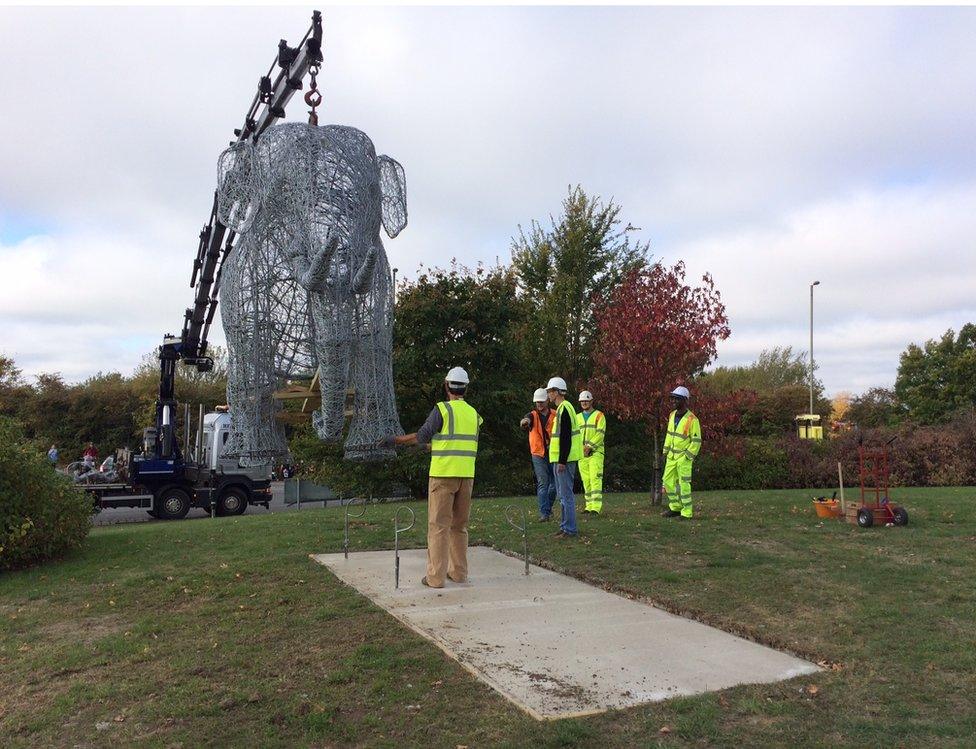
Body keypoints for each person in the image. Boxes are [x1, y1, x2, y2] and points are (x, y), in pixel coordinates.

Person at [392, 366, 482, 588]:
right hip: (466, 476)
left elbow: (422, 436)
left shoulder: (442, 410)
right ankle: (459, 573)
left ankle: (435, 578)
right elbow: (459, 442)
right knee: (459, 527)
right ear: (466, 388)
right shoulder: (474, 415)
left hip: (443, 475)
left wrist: (397, 441)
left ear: (446, 385)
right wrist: (435, 446)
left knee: (438, 526)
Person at [546, 376, 582, 539]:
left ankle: (570, 529)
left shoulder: (564, 408)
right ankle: (565, 527)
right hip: (562, 459)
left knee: (566, 495)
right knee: (563, 494)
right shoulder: (563, 408)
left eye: (550, 391)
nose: (548, 394)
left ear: (557, 392)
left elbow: (565, 437)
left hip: (564, 461)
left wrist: (562, 460)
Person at [661, 386, 702, 519]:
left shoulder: (692, 419)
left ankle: (686, 512)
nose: (672, 401)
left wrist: (687, 457)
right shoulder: (672, 415)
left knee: (684, 485)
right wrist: (665, 452)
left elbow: (696, 441)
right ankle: (675, 507)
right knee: (667, 482)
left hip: (683, 458)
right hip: (671, 456)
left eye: (676, 399)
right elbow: (669, 434)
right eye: (672, 398)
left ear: (684, 400)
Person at [520, 388, 557, 521]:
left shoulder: (555, 414)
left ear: (547, 400)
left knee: (554, 485)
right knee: (543, 483)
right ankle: (544, 514)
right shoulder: (532, 415)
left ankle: (547, 508)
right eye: (537, 402)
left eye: (541, 401)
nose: (539, 404)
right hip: (538, 453)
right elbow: (526, 420)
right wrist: (524, 422)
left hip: (553, 453)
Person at [576, 391, 606, 514]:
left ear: (591, 401)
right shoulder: (577, 417)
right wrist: (581, 449)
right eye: (582, 401)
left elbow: (600, 433)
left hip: (595, 453)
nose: (584, 403)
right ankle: (588, 506)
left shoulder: (599, 415)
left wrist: (589, 447)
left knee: (595, 479)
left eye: (586, 401)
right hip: (581, 454)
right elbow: (575, 435)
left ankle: (596, 507)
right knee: (586, 480)